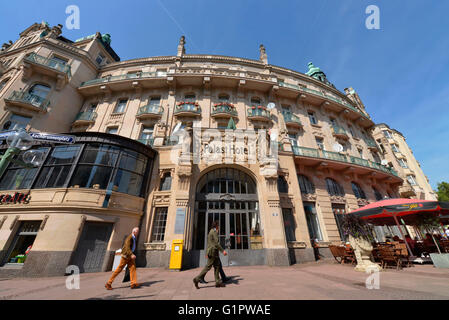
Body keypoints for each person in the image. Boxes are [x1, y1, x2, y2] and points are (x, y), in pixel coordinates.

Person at [193, 221, 227, 288]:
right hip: (213, 252)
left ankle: (218, 282)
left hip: (212, 251)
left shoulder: (210, 231)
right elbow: (216, 243)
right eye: (218, 226)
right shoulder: (214, 232)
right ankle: (197, 279)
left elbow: (209, 243)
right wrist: (223, 251)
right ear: (216, 226)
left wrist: (207, 252)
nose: (219, 227)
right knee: (208, 267)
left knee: (217, 266)